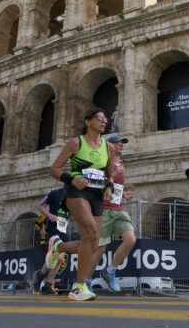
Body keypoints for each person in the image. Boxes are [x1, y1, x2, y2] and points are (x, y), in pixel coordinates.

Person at [47, 107, 114, 301]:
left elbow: (110, 174)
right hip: (75, 190)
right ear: (87, 122)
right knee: (92, 233)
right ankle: (79, 287)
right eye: (99, 118)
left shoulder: (108, 147)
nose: (104, 122)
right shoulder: (76, 143)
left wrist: (109, 188)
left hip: (97, 194)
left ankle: (58, 247)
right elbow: (54, 169)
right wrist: (71, 179)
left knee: (94, 242)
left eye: (106, 119)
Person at [92, 134, 136, 293]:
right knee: (99, 249)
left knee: (130, 240)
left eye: (123, 143)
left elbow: (114, 186)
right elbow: (96, 183)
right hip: (103, 209)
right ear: (110, 146)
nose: (122, 145)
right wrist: (113, 175)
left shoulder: (122, 165)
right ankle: (86, 281)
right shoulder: (103, 163)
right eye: (119, 143)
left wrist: (123, 194)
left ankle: (110, 271)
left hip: (117, 208)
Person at [32, 187, 68, 295]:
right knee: (59, 257)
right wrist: (49, 215)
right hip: (53, 229)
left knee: (59, 260)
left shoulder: (74, 196)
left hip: (63, 229)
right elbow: (40, 206)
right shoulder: (54, 193)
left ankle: (45, 282)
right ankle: (42, 278)